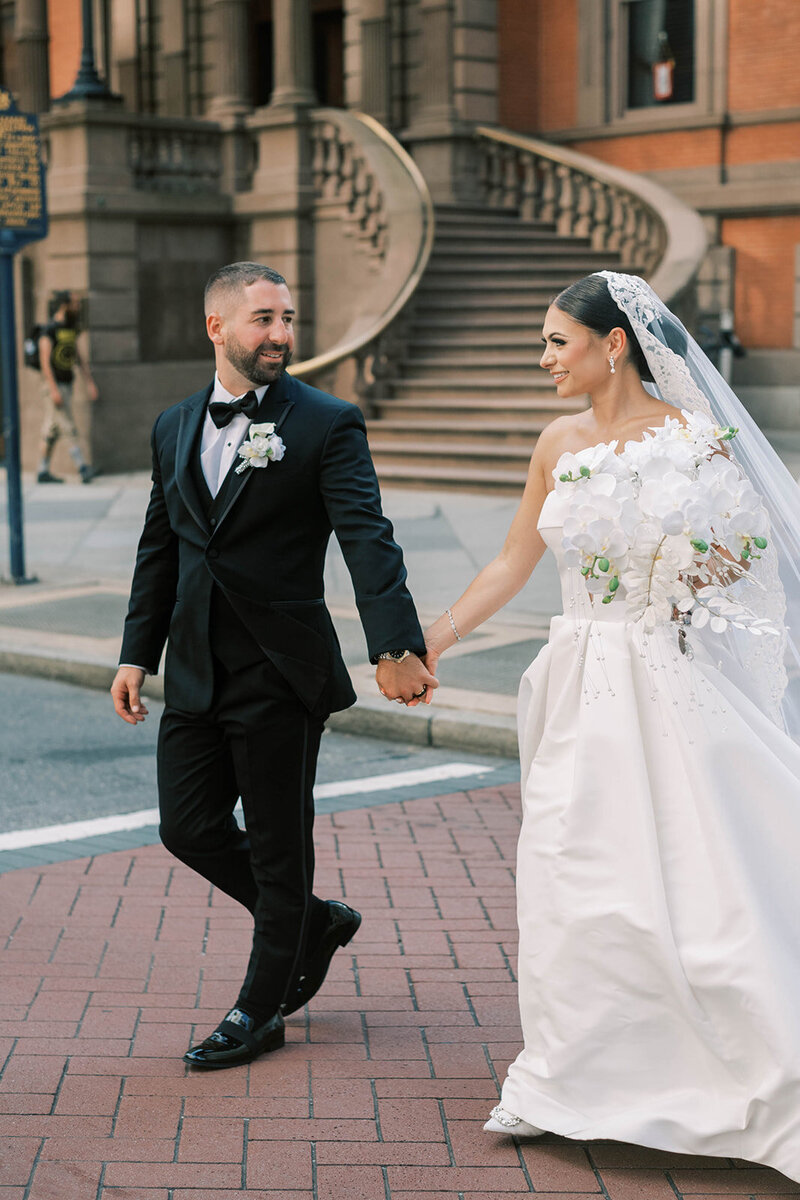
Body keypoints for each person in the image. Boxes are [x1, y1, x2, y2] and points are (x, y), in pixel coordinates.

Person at [422, 271, 800, 1181]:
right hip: (580, 679)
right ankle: (571, 1076)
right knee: (574, 869)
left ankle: (745, 1073)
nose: (544, 358)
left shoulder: (695, 441)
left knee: (700, 877)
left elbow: (745, 561)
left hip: (671, 680)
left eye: (557, 341)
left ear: (614, 343)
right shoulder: (556, 442)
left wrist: (682, 577)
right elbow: (515, 561)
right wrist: (430, 639)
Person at [110, 262, 436, 1069]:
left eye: (287, 318)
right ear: (217, 327)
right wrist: (134, 652)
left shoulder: (326, 422)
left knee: (279, 849)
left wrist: (394, 645)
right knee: (185, 827)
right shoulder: (173, 425)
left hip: (279, 673)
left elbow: (368, 535)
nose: (282, 335)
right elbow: (163, 546)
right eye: (263, 320)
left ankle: (260, 1010)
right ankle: (312, 924)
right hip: (192, 669)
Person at [37, 291, 98, 484]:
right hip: (54, 386)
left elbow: (78, 356)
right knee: (68, 425)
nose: (78, 307)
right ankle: (82, 468)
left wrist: (89, 382)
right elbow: (45, 362)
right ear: (65, 305)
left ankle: (42, 470)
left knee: (51, 429)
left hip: (67, 383)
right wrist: (53, 389)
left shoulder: (71, 327)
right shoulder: (49, 329)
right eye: (75, 303)